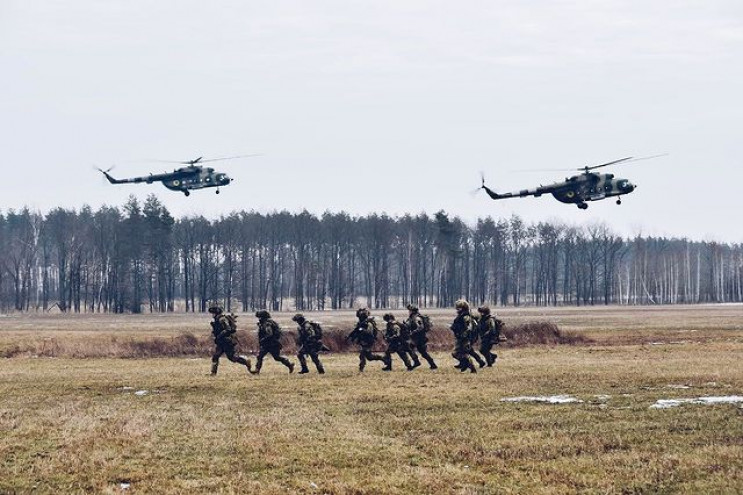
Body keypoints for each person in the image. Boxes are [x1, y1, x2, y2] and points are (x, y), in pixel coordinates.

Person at [208, 304, 253, 376]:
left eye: (213, 313)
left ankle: (246, 361)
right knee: (215, 356)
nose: (212, 315)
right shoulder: (217, 320)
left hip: (227, 341)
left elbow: (228, 329)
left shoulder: (222, 319)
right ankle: (213, 373)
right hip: (221, 342)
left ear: (216, 313)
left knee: (232, 357)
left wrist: (220, 335)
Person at [252, 310, 294, 374]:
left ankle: (289, 364)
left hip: (272, 343)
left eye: (260, 317)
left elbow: (270, 334)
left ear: (263, 317)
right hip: (268, 344)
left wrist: (263, 339)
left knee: (276, 357)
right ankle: (257, 370)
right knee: (260, 356)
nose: (259, 318)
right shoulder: (265, 323)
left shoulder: (267, 324)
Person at [347, 307, 386, 372]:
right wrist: (351, 337)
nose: (359, 317)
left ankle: (361, 368)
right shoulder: (361, 322)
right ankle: (384, 359)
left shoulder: (368, 323)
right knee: (370, 357)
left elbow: (369, 332)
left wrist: (362, 330)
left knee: (362, 355)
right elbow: (356, 331)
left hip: (368, 341)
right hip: (364, 341)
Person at [404, 304, 436, 369]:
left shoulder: (417, 318)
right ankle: (432, 364)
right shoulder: (412, 317)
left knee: (410, 348)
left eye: (409, 310)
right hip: (418, 337)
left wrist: (413, 332)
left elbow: (421, 327)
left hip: (419, 338)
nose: (408, 312)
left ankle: (416, 362)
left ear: (412, 311)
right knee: (422, 352)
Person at [450, 299, 477, 373]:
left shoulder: (466, 317)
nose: (457, 309)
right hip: (459, 337)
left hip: (464, 338)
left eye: (458, 308)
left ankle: (472, 368)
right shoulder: (460, 316)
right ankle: (465, 364)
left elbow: (469, 327)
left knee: (464, 353)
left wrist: (464, 335)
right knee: (455, 353)